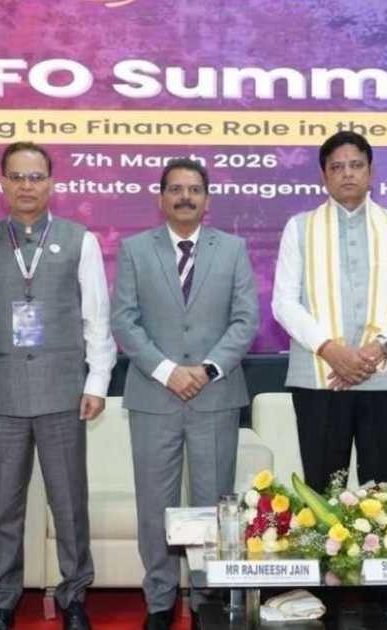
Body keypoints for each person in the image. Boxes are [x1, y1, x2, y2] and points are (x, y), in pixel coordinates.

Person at [0, 141, 115, 630]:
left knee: (69, 503)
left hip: (63, 392)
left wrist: (97, 382)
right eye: (18, 177)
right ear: (2, 183)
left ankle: (74, 598)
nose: (27, 186)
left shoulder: (80, 240)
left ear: (51, 183)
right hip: (1, 395)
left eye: (36, 177)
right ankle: (2, 601)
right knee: (3, 507)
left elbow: (97, 320)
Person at [111, 158, 259, 629]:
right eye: (175, 189)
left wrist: (207, 369)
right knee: (155, 505)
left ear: (207, 200)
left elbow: (246, 320)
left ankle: (205, 601)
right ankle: (159, 601)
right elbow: (124, 321)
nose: (185, 197)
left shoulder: (233, 249)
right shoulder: (135, 250)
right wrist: (168, 371)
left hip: (215, 395)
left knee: (213, 504)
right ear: (161, 198)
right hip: (154, 396)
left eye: (194, 189)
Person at [272, 131, 387, 494]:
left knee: (383, 495)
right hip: (321, 378)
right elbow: (284, 303)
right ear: (324, 175)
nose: (347, 173)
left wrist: (378, 348)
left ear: (371, 172)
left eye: (356, 165)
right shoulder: (299, 227)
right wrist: (332, 351)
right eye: (337, 167)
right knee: (323, 494)